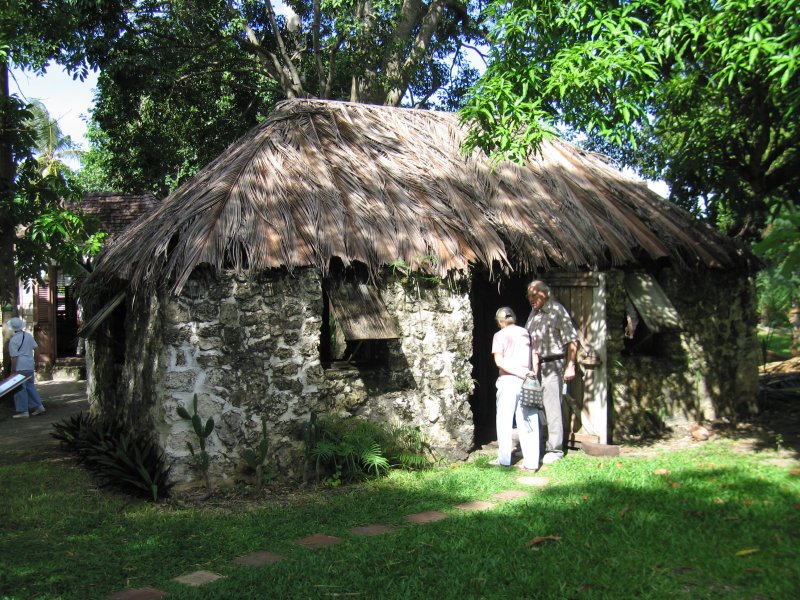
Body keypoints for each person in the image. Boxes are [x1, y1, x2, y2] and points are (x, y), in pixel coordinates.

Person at [524, 281, 578, 465]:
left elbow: (571, 340)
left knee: (552, 407)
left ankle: (555, 449)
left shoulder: (557, 310)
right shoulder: (533, 314)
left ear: (545, 294)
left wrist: (570, 365)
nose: (530, 299)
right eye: (529, 296)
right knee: (535, 407)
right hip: (535, 367)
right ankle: (538, 445)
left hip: (553, 363)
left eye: (534, 295)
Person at [490, 307, 540, 471]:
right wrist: (531, 374)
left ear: (500, 321)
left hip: (508, 381)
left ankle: (504, 459)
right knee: (528, 421)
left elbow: (499, 362)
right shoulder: (527, 333)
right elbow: (535, 358)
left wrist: (518, 372)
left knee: (504, 420)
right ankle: (532, 463)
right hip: (527, 380)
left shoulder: (499, 335)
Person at [6, 317, 45, 418]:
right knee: (30, 386)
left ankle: (23, 411)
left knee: (20, 389)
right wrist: (37, 363)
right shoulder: (28, 336)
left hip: (20, 366)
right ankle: (38, 406)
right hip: (29, 364)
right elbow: (37, 349)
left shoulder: (13, 340)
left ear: (13, 328)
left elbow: (14, 358)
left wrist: (12, 371)